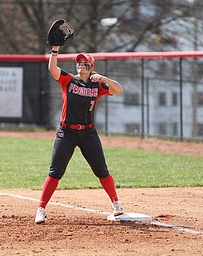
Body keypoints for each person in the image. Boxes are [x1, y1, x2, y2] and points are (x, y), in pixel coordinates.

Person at [35, 45, 124, 224]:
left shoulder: (98, 85)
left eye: (85, 63)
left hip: (88, 133)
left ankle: (116, 204)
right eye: (79, 62)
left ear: (92, 67)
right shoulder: (69, 81)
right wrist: (54, 50)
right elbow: (53, 69)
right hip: (66, 132)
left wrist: (103, 77)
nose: (81, 65)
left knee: (101, 170)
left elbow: (118, 89)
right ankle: (41, 209)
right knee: (55, 172)